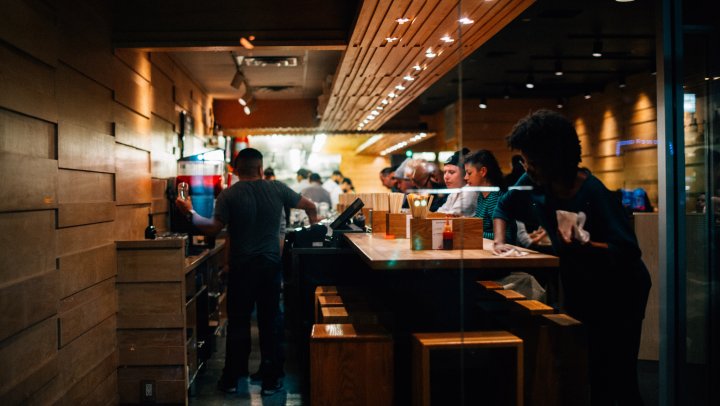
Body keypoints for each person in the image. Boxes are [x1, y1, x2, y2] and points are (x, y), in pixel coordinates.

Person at [492, 109, 651, 405]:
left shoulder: (594, 192)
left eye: (532, 161)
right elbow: (503, 208)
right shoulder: (534, 182)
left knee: (616, 374)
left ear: (554, 158)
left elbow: (628, 250)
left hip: (620, 291)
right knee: (583, 367)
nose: (526, 167)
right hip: (580, 285)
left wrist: (586, 246)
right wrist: (500, 243)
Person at [175, 148, 318, 396]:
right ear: (261, 169)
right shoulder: (278, 189)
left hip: (242, 269)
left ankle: (232, 378)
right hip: (270, 267)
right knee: (270, 322)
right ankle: (271, 380)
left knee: (239, 323)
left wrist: (189, 211)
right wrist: (314, 228)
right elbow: (311, 206)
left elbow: (211, 228)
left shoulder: (229, 195)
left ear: (235, 170)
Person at [464, 149, 511, 241]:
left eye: (469, 173)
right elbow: (481, 225)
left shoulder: (495, 197)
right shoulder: (482, 196)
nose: (465, 177)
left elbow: (505, 237)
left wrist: (469, 232)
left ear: (483, 171)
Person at [436, 148, 478, 216]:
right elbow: (439, 213)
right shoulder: (455, 192)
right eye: (444, 172)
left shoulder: (469, 191)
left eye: (451, 172)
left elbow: (453, 216)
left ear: (464, 174)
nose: (446, 177)